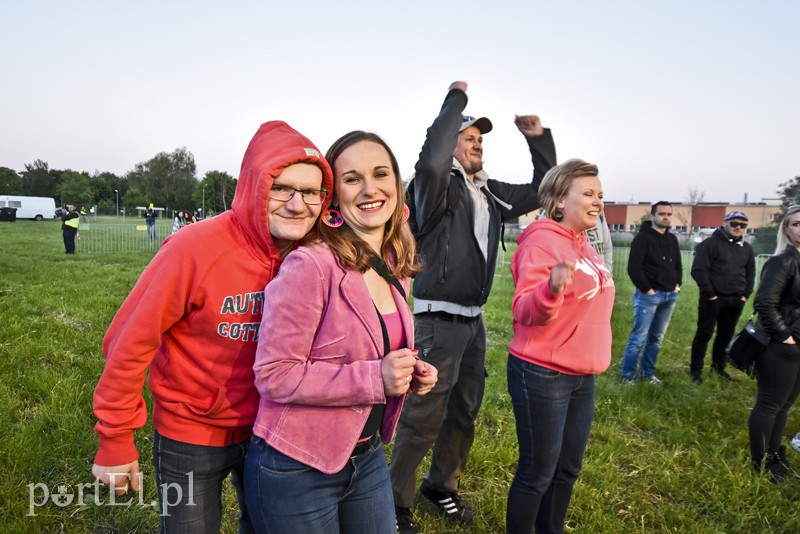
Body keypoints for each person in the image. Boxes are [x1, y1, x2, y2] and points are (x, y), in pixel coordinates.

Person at [91, 121, 333, 533]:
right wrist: (115, 437)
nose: (297, 204)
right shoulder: (195, 248)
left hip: (270, 431)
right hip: (191, 434)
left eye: (310, 192)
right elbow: (129, 341)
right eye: (282, 188)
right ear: (255, 187)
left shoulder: (314, 255)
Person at [244, 131, 437, 534]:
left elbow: (369, 344)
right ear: (335, 195)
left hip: (364, 457)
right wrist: (376, 377)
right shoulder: (310, 265)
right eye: (352, 179)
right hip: (295, 464)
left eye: (381, 174)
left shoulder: (393, 264)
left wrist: (410, 370)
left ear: (397, 186)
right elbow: (274, 373)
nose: (370, 189)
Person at [391, 81, 557, 530]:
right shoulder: (434, 186)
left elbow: (544, 190)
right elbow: (430, 157)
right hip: (435, 320)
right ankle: (395, 502)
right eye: (468, 137)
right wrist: (455, 103)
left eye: (481, 138)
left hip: (473, 322)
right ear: (451, 145)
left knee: (465, 409)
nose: (478, 142)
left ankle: (440, 486)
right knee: (423, 415)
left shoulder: (490, 191)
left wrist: (539, 141)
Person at [507, 159, 614, 533]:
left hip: (582, 375)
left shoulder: (584, 244)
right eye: (587, 193)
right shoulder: (541, 240)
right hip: (543, 372)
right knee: (538, 473)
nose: (597, 201)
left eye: (600, 194)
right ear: (558, 200)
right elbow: (523, 309)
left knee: (567, 469)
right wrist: (550, 289)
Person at [749, 205, 800, 483]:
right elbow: (765, 304)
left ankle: (773, 452)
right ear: (787, 230)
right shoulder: (783, 261)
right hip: (782, 347)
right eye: (797, 224)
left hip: (797, 345)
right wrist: (786, 337)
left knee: (785, 406)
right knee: (769, 406)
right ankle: (760, 462)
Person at [619, 201, 682, 384]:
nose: (666, 217)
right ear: (652, 216)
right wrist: (647, 289)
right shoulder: (642, 239)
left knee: (656, 338)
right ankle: (627, 377)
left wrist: (677, 284)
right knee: (638, 337)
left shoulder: (672, 239)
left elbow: (678, 265)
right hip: (649, 296)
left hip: (670, 296)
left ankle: (647, 374)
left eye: (669, 214)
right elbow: (634, 268)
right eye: (662, 214)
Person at [689, 210, 755, 383]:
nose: (738, 228)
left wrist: (745, 294)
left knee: (725, 336)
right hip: (713, 299)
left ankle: (719, 368)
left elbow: (751, 273)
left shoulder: (747, 248)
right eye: (734, 224)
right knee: (704, 334)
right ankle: (695, 372)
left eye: (743, 225)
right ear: (725, 223)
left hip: (736, 300)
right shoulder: (710, 244)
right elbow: (698, 270)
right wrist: (711, 295)